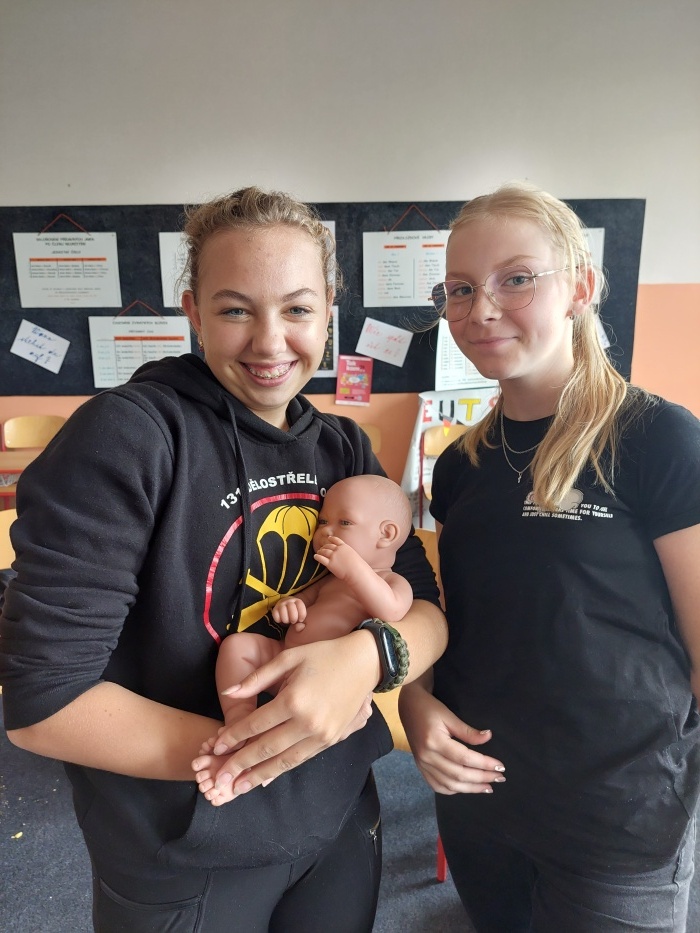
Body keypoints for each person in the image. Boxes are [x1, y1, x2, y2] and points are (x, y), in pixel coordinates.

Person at [0, 186, 448, 933]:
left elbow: (426, 611)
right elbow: (45, 704)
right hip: (188, 844)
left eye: (297, 309)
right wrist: (270, 746)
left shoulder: (342, 447)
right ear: (194, 312)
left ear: (328, 313)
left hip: (338, 813)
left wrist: (366, 660)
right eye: (237, 309)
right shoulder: (128, 437)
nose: (271, 342)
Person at [400, 182, 700, 933]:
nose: (481, 309)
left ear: (582, 287)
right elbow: (455, 618)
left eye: (516, 279)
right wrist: (416, 700)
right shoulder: (460, 465)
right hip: (480, 802)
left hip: (616, 822)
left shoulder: (656, 438)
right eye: (460, 289)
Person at [196, 473, 414, 805]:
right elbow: (302, 600)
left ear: (386, 534)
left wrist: (354, 569)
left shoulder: (394, 583)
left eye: (344, 522)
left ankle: (248, 761)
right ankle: (239, 717)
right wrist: (291, 606)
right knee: (238, 645)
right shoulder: (330, 581)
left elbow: (392, 610)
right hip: (283, 657)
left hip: (324, 684)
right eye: (323, 521)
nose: (325, 531)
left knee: (298, 726)